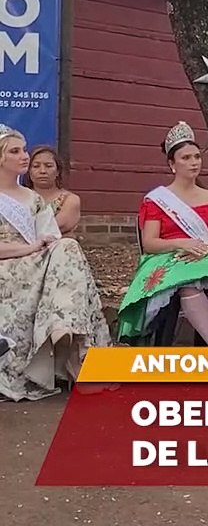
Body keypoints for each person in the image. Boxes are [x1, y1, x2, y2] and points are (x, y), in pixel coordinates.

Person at [116, 122, 208, 345]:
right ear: (172, 164)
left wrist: (206, 249)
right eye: (185, 158)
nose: (193, 162)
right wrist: (182, 244)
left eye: (196, 157)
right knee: (187, 284)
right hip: (171, 257)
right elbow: (150, 243)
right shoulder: (157, 200)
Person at [0, 124, 112, 401]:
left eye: (23, 149)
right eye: (15, 151)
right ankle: (74, 356)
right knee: (66, 253)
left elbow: (49, 238)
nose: (24, 156)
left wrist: (41, 246)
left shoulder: (33, 199)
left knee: (67, 247)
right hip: (8, 266)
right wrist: (28, 248)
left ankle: (64, 332)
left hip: (40, 267)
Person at [22, 146, 82, 235]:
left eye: (48, 166)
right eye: (36, 166)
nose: (42, 171)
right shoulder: (18, 197)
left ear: (58, 171)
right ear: (28, 171)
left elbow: (56, 227)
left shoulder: (70, 200)